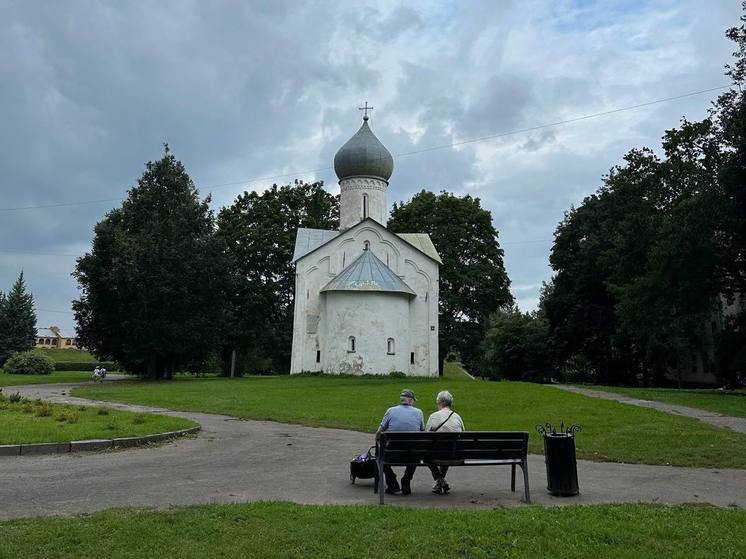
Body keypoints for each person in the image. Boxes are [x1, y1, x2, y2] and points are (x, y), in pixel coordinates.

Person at [375, 388, 424, 495]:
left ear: (401, 400)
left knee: (379, 456)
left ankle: (392, 482)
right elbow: (421, 430)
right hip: (412, 455)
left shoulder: (391, 411)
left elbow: (379, 432)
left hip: (393, 454)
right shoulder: (419, 412)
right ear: (410, 401)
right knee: (415, 451)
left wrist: (377, 440)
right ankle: (406, 480)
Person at [425, 390, 465, 494]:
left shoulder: (433, 416)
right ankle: (440, 481)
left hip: (437, 454)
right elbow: (463, 435)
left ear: (441, 403)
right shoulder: (457, 417)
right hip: (455, 454)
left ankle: (440, 480)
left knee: (426, 455)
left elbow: (426, 437)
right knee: (449, 447)